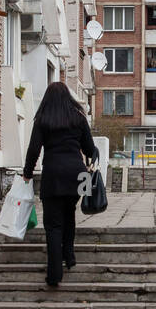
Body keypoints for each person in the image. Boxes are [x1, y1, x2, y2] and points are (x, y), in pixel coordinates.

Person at [23, 82, 98, 287]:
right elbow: (90, 149)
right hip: (77, 176)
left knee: (53, 225)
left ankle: (55, 273)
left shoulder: (43, 119)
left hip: (53, 176)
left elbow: (33, 149)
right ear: (68, 97)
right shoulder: (78, 117)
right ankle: (70, 257)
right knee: (69, 215)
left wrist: (27, 173)